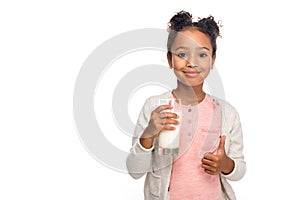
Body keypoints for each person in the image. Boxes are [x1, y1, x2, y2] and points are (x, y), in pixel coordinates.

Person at [126, 10, 246, 200]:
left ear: (213, 60)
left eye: (202, 54)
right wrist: (148, 135)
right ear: (169, 60)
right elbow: (135, 171)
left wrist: (225, 164)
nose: (192, 62)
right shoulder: (155, 107)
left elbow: (239, 169)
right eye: (182, 54)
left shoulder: (226, 113)